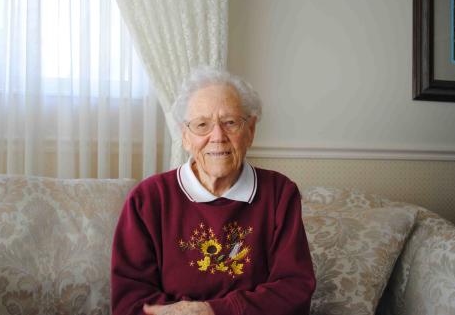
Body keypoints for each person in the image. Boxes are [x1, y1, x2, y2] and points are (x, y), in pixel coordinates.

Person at [111, 67, 316, 315]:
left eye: (230, 123)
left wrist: (212, 311)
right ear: (185, 136)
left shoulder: (280, 194)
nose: (217, 136)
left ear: (250, 131)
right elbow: (130, 303)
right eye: (202, 125)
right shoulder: (148, 199)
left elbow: (294, 290)